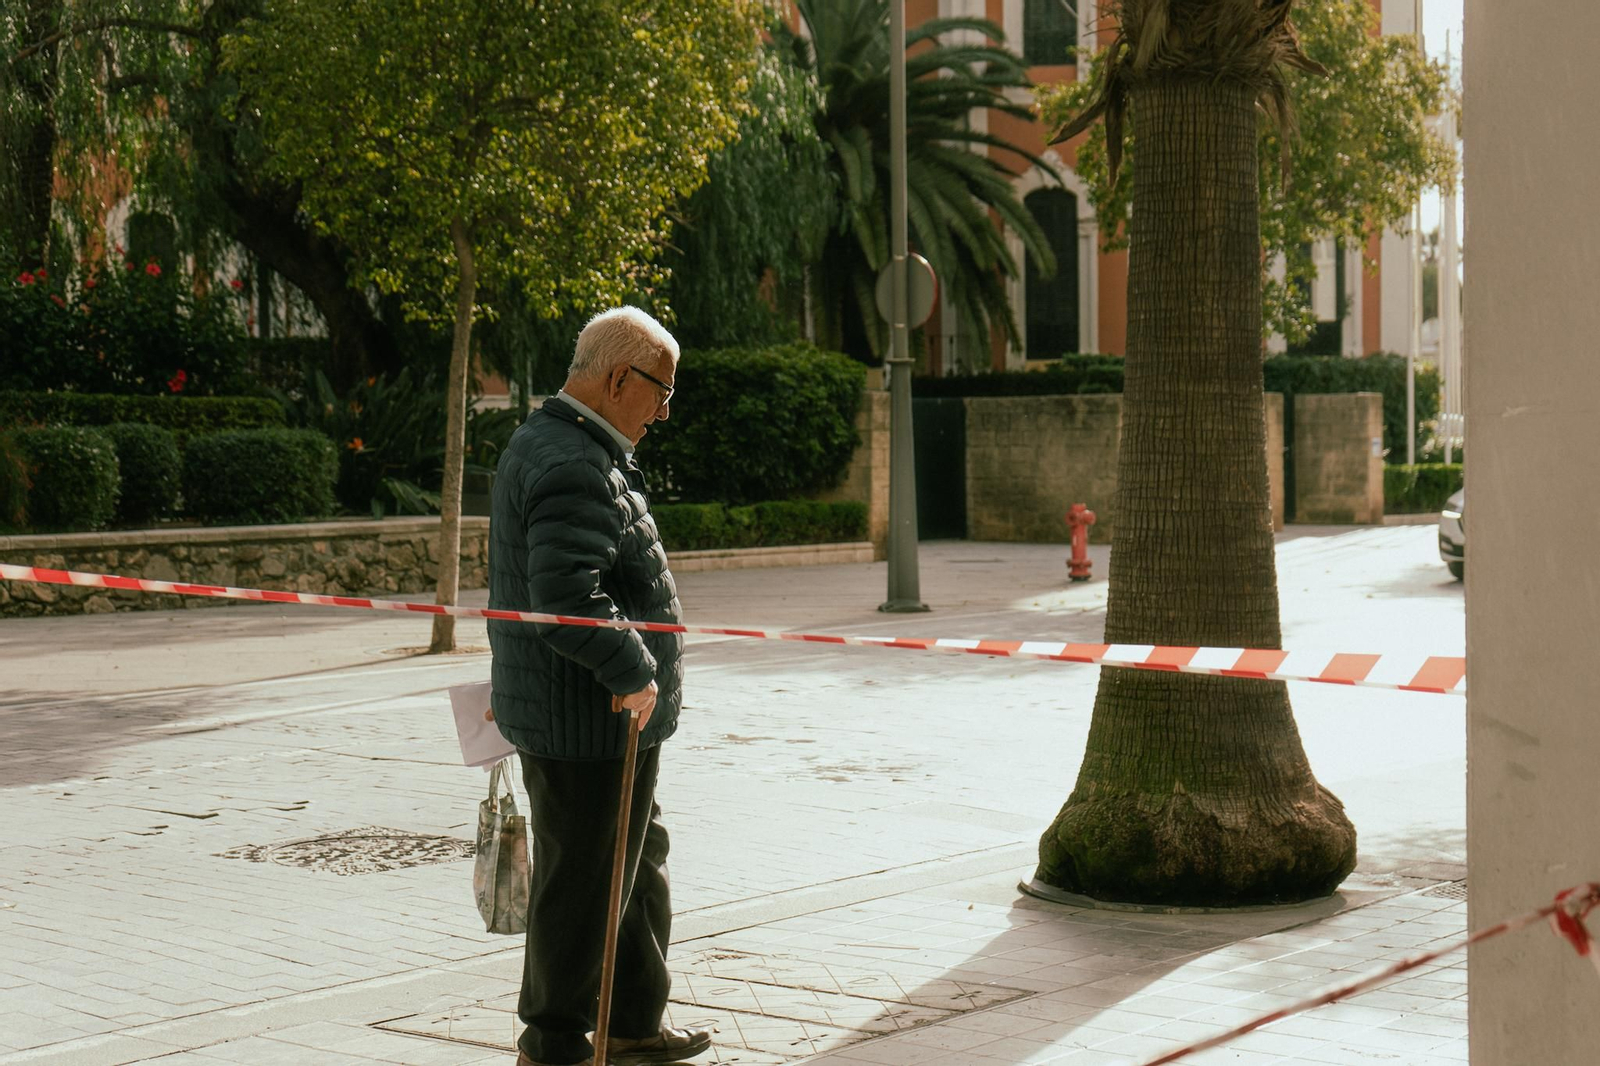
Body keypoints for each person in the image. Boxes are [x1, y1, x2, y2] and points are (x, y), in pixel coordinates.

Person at [487, 307, 708, 1066]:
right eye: (661, 391)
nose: (664, 411)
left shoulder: (563, 443)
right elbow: (565, 598)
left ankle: (633, 1023)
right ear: (619, 379)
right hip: (587, 719)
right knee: (584, 886)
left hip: (594, 718)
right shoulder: (576, 462)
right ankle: (552, 1043)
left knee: (633, 865)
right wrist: (635, 670)